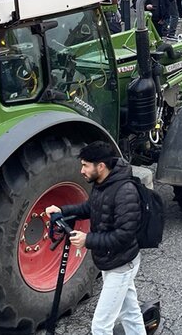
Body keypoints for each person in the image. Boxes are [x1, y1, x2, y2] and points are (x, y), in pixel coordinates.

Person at [45, 142, 145, 335]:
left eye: (85, 165)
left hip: (122, 264)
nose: (81, 170)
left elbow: (125, 235)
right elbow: (90, 208)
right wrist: (62, 210)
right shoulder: (101, 183)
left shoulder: (125, 192)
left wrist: (87, 240)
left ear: (100, 166)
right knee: (130, 312)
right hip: (110, 260)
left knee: (100, 326)